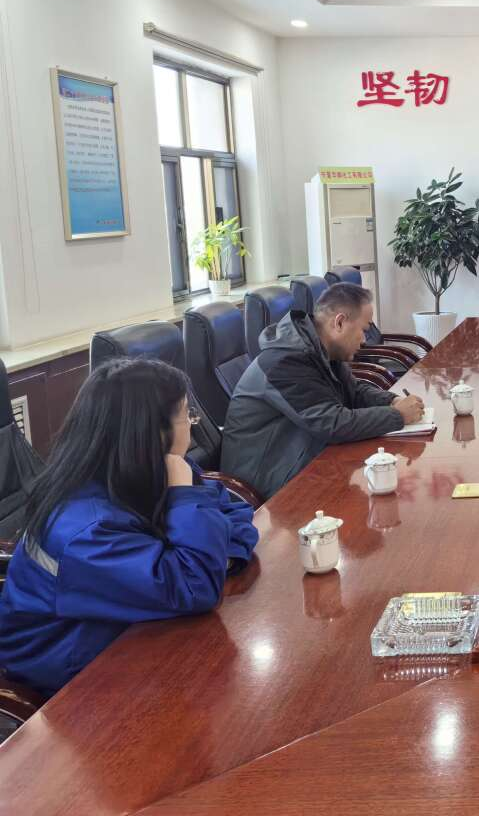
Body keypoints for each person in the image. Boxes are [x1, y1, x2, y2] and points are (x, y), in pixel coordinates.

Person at [0, 358, 259, 696]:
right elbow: (194, 587)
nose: (192, 425)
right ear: (152, 431)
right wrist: (205, 549)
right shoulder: (84, 531)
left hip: (136, 624)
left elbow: (235, 512)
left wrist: (221, 559)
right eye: (186, 415)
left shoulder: (154, 467)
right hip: (75, 673)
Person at [222, 283, 425, 499]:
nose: (365, 339)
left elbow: (354, 392)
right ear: (339, 322)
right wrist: (397, 416)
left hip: (304, 460)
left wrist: (391, 401)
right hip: (266, 484)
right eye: (364, 330)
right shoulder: (283, 362)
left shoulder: (320, 349)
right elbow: (331, 423)